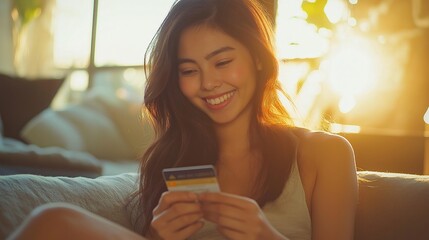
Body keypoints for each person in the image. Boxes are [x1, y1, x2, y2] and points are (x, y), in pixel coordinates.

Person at [8, 0, 358, 239]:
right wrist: (158, 235)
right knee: (52, 220)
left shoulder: (325, 154)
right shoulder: (171, 160)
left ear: (259, 60)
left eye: (222, 62)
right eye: (189, 70)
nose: (208, 83)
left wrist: (266, 236)